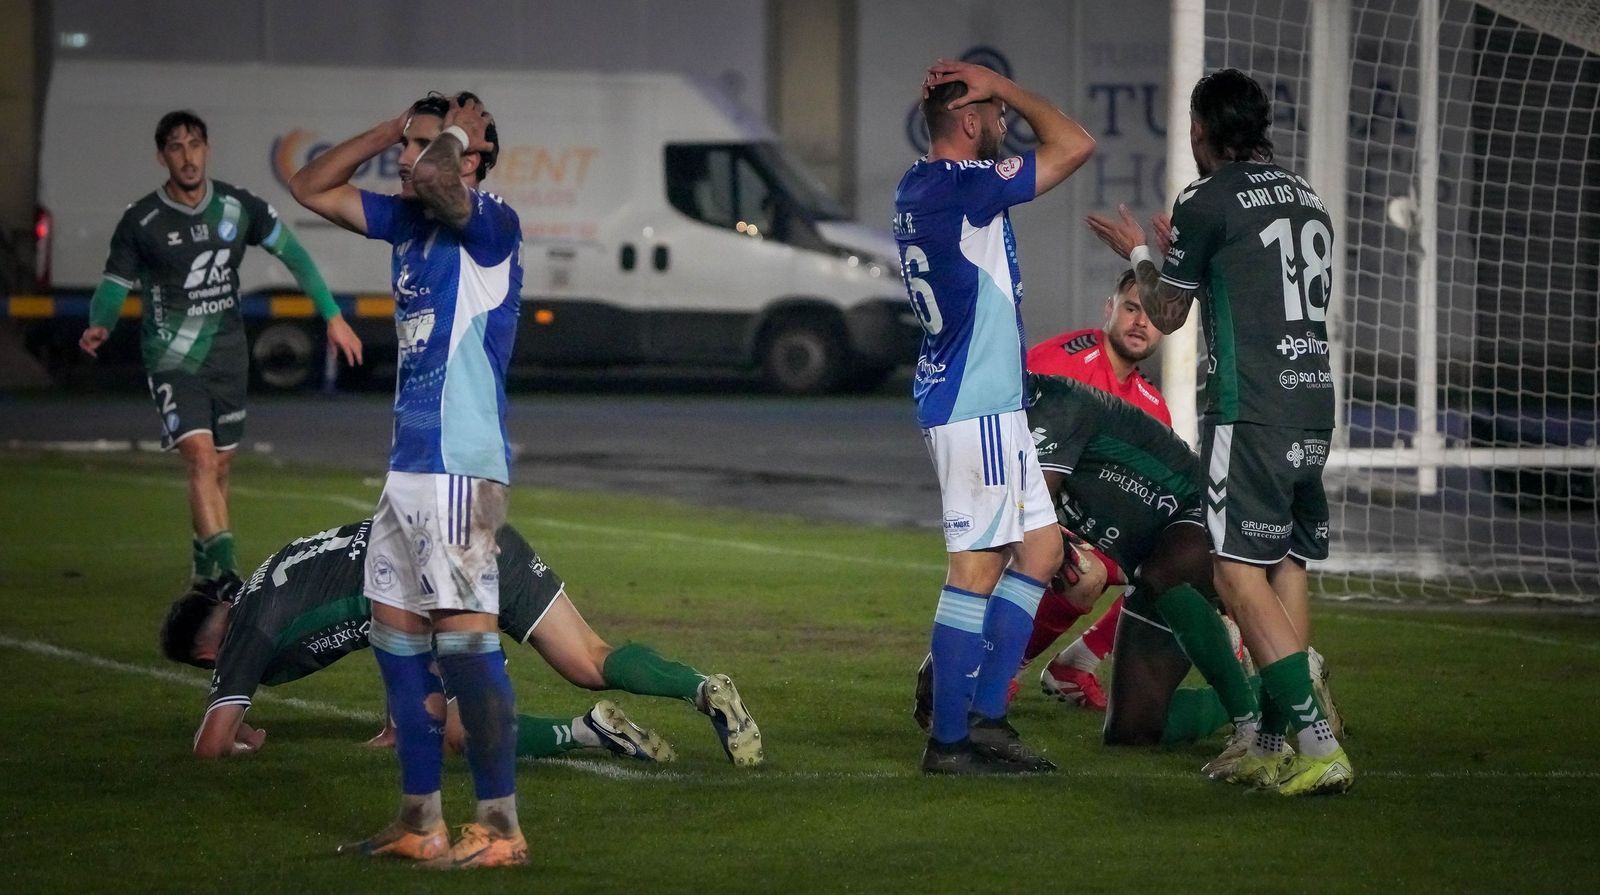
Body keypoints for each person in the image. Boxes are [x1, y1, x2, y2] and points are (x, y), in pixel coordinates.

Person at [1086, 68, 1352, 796]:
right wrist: (1189, 255)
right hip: (1311, 403)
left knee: (1235, 573)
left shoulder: (1206, 197)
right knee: (1285, 566)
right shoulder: (1307, 197)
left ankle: (1317, 742)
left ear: (1202, 131)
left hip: (1251, 408)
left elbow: (1166, 315)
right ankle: (1271, 739)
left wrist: (1142, 255)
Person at [290, 91, 531, 865]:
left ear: (466, 159)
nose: (405, 158)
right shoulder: (406, 220)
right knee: (395, 639)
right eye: (406, 145)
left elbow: (435, 181)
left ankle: (500, 826)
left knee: (467, 646)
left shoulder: (490, 224)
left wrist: (451, 136)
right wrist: (393, 126)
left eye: (422, 146)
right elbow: (309, 185)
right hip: (408, 466)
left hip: (461, 464)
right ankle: (419, 819)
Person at [159, 520, 759, 768]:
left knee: (458, 732)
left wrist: (237, 735)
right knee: (590, 658)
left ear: (207, 656)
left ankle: (584, 734)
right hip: (472, 529)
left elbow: (209, 747)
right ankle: (703, 687)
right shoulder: (267, 576)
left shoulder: (244, 636)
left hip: (437, 581)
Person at [894, 58, 1095, 774]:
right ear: (971, 120)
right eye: (995, 114)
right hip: (972, 404)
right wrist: (1006, 82)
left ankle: (987, 719)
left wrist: (986, 93)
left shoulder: (921, 186)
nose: (1006, 124)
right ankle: (949, 740)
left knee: (1039, 553)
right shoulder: (966, 188)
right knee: (975, 568)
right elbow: (1075, 144)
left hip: (985, 402)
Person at [77, 110, 362, 590]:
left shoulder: (237, 207)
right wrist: (99, 324)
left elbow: (293, 253)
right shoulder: (141, 221)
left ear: (207, 150)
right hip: (172, 358)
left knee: (220, 466)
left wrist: (332, 314)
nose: (187, 157)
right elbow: (114, 283)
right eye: (176, 147)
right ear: (161, 155)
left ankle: (202, 564)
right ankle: (229, 581)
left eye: (194, 145)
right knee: (201, 460)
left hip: (228, 355)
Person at [916, 373, 1265, 763]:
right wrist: (946, 657)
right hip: (1143, 566)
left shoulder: (1052, 407)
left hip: (1203, 523)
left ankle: (1249, 722)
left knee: (1151, 572)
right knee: (1132, 730)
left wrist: (949, 656)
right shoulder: (1003, 424)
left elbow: (1013, 539)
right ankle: (1270, 692)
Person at [1023, 270, 1169, 709]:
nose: (1141, 322)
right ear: (1110, 310)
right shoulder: (1061, 362)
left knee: (1182, 569)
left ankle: (1076, 665)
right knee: (1084, 574)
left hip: (1081, 520)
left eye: (1154, 315)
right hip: (1019, 505)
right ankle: (996, 669)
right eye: (1131, 308)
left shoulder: (1152, 406)